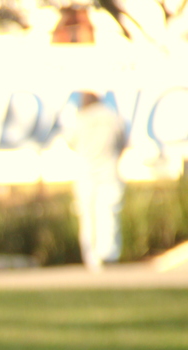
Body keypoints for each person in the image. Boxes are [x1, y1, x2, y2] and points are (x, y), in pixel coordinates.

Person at [65, 91, 127, 271]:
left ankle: (92, 258)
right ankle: (109, 254)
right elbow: (122, 141)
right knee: (108, 213)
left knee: (88, 216)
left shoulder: (80, 119)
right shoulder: (112, 117)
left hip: (87, 171)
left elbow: (71, 142)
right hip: (109, 169)